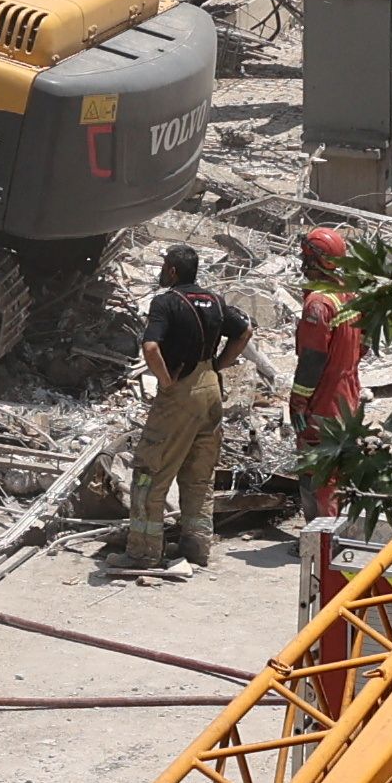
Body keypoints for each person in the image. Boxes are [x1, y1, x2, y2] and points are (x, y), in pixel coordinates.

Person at [114, 245, 247, 575]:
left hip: (181, 391)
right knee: (199, 475)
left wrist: (166, 381)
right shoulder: (215, 300)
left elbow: (150, 346)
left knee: (150, 471)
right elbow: (244, 330)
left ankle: (143, 553)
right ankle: (197, 546)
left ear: (172, 270)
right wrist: (219, 365)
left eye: (164, 266)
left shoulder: (166, 302)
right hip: (210, 389)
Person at [289, 225, 369, 596]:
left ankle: (323, 544)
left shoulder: (318, 305)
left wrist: (299, 400)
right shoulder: (348, 296)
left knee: (318, 472)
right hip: (348, 395)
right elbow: (362, 347)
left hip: (323, 400)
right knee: (340, 470)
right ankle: (340, 534)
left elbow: (312, 359)